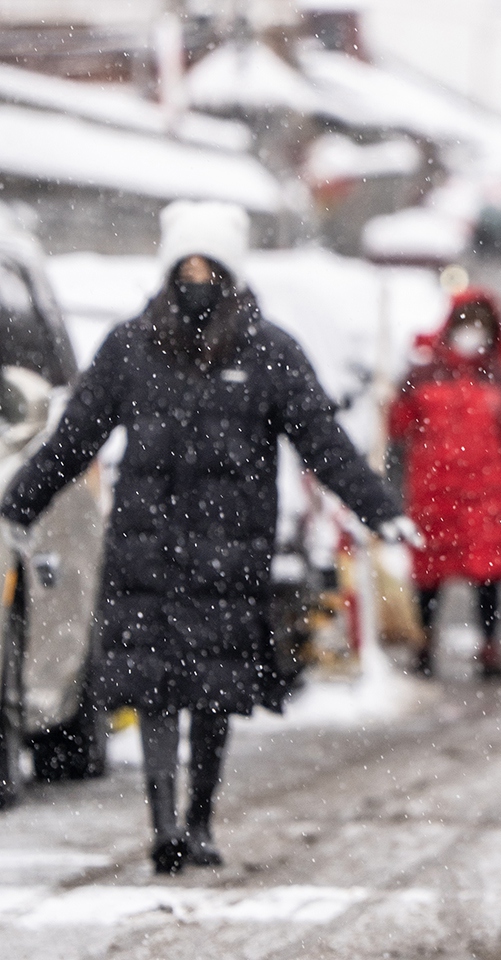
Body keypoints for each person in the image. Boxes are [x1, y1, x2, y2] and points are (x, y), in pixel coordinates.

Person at [0, 200, 415, 875]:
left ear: (231, 272)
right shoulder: (130, 348)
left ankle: (200, 819)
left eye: (209, 267)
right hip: (148, 553)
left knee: (213, 698)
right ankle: (165, 824)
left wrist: (378, 508)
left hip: (230, 556)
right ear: (168, 272)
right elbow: (73, 439)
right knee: (160, 691)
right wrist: (18, 503)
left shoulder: (269, 352)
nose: (196, 279)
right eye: (185, 267)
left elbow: (323, 441)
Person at [387, 288, 501, 680]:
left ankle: (489, 648)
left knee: (488, 574)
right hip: (433, 492)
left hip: (484, 493)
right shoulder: (421, 376)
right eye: (466, 325)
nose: (472, 334)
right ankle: (424, 644)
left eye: (480, 327)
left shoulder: (497, 377)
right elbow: (396, 428)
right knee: (429, 574)